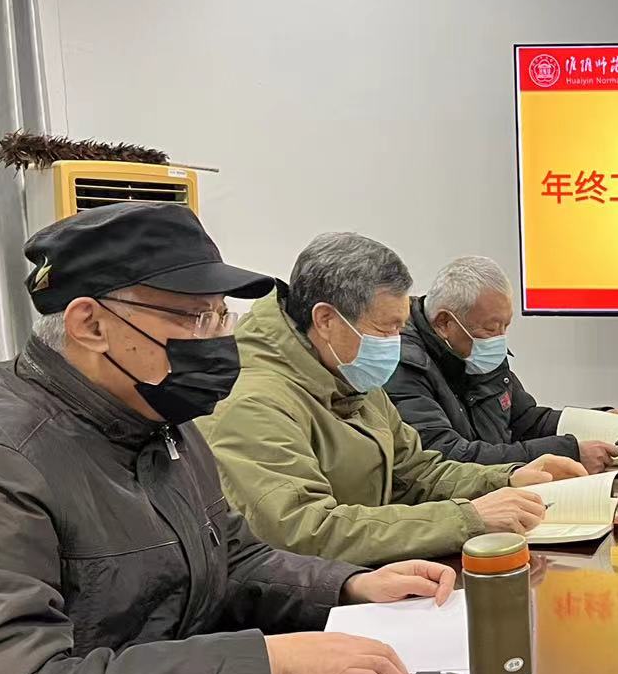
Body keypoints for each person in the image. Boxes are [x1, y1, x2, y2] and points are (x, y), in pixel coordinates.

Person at [0, 203, 463, 674]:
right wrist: (266, 663)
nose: (218, 339)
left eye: (221, 315)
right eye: (194, 317)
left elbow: (233, 556)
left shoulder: (160, 422)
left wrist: (347, 586)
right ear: (90, 323)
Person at [208, 234, 583, 567]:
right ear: (325, 320)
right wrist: (467, 519)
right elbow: (305, 531)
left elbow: (416, 471)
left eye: (400, 328)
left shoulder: (350, 374)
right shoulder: (253, 403)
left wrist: (508, 478)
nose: (395, 343)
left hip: (370, 577)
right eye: (385, 329)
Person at [387, 256, 618, 473]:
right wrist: (569, 453)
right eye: (491, 328)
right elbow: (448, 455)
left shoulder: (476, 350)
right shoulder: (401, 364)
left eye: (505, 326)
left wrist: (598, 422)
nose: (499, 339)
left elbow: (524, 421)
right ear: (444, 323)